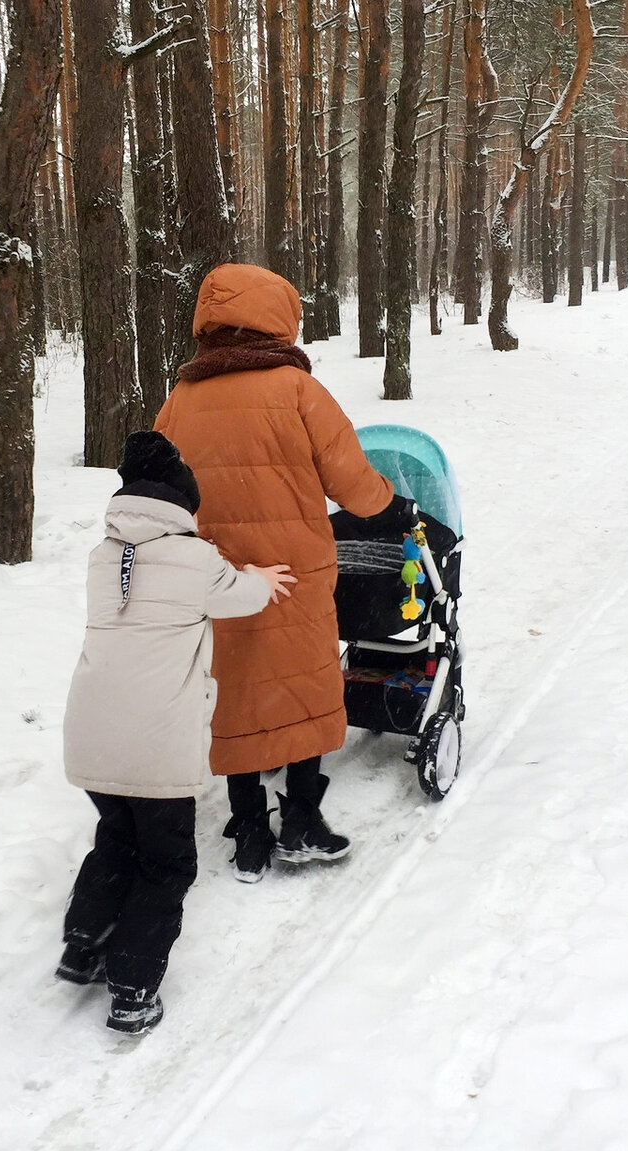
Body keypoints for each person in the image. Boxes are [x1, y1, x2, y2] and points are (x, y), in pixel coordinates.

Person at [154, 263, 418, 883]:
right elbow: (352, 483)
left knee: (237, 692)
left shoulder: (180, 400)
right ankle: (300, 818)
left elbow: (160, 490)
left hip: (216, 578)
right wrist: (392, 506)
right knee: (303, 685)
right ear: (276, 320)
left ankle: (248, 826)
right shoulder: (296, 390)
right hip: (294, 572)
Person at [59, 431, 294, 1034]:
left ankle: (84, 943)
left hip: (91, 732)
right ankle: (134, 988)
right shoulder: (195, 558)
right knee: (165, 864)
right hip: (157, 742)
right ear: (182, 503)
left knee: (116, 836)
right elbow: (241, 597)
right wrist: (264, 577)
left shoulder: (102, 555)